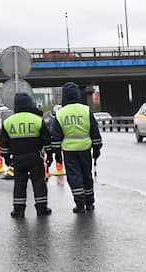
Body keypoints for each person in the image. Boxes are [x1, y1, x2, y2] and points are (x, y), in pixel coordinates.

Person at [51, 82, 102, 213]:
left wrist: (56, 153)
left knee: (74, 177)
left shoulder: (61, 113)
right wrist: (97, 148)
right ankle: (90, 202)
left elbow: (56, 137)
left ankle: (80, 204)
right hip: (85, 149)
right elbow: (94, 131)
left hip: (69, 151)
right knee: (87, 175)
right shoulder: (86, 110)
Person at [0, 92, 53, 218]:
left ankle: (18, 210)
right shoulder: (37, 120)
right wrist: (50, 155)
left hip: (18, 158)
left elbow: (4, 144)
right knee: (39, 183)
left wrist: (7, 159)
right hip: (35, 157)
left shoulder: (8, 122)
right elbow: (46, 140)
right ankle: (42, 209)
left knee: (19, 184)